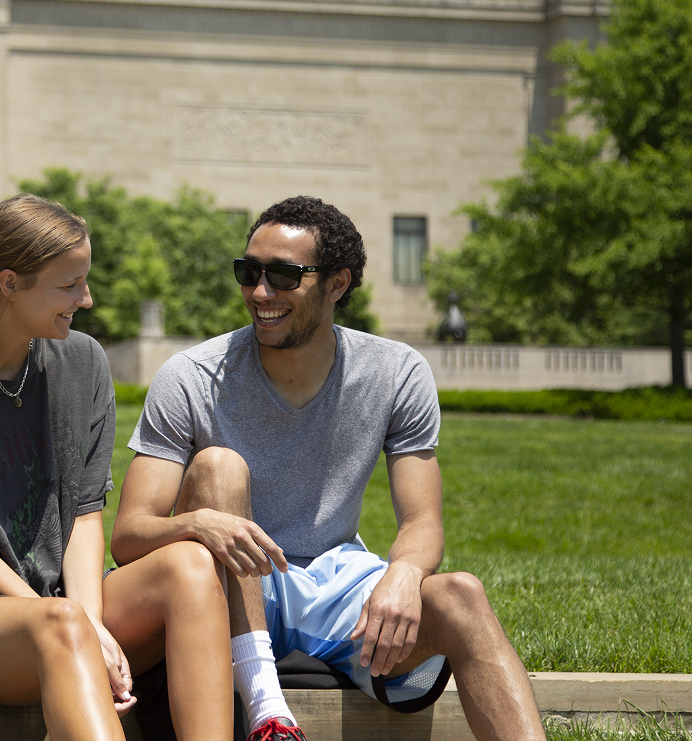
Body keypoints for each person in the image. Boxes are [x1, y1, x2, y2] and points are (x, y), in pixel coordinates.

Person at [111, 196, 547, 741]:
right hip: (222, 587)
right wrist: (196, 525)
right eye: (249, 273)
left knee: (461, 596)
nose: (260, 293)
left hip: (337, 585)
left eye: (283, 275)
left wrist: (405, 575)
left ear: (337, 284)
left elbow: (422, 522)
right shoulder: (192, 376)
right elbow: (128, 537)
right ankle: (267, 707)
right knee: (219, 468)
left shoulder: (396, 372)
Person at [0, 194, 235, 741]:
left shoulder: (83, 361)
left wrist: (88, 619)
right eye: (69, 285)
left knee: (189, 566)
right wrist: (81, 628)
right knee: (60, 626)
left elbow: (85, 516)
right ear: (11, 283)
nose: (85, 300)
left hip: (65, 603)